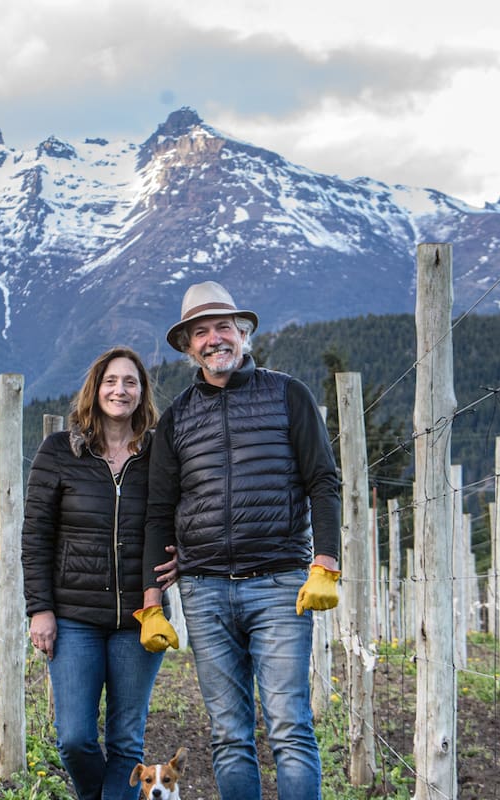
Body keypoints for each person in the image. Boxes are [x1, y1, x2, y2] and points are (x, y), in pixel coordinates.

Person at [138, 281, 342, 800]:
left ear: (243, 333)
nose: (214, 339)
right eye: (200, 333)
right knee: (228, 735)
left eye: (223, 327)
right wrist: (151, 603)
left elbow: (322, 480)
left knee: (289, 727)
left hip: (279, 584)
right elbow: (159, 513)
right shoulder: (176, 419)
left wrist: (325, 562)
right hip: (204, 591)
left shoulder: (288, 395)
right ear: (188, 346)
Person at [22, 345, 174, 800]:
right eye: (111, 381)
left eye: (130, 382)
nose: (119, 390)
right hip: (74, 618)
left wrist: (183, 554)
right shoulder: (59, 452)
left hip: (140, 619)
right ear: (95, 389)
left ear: (142, 392)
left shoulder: (159, 454)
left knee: (126, 741)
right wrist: (40, 609)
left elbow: (179, 517)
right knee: (74, 737)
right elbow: (36, 535)